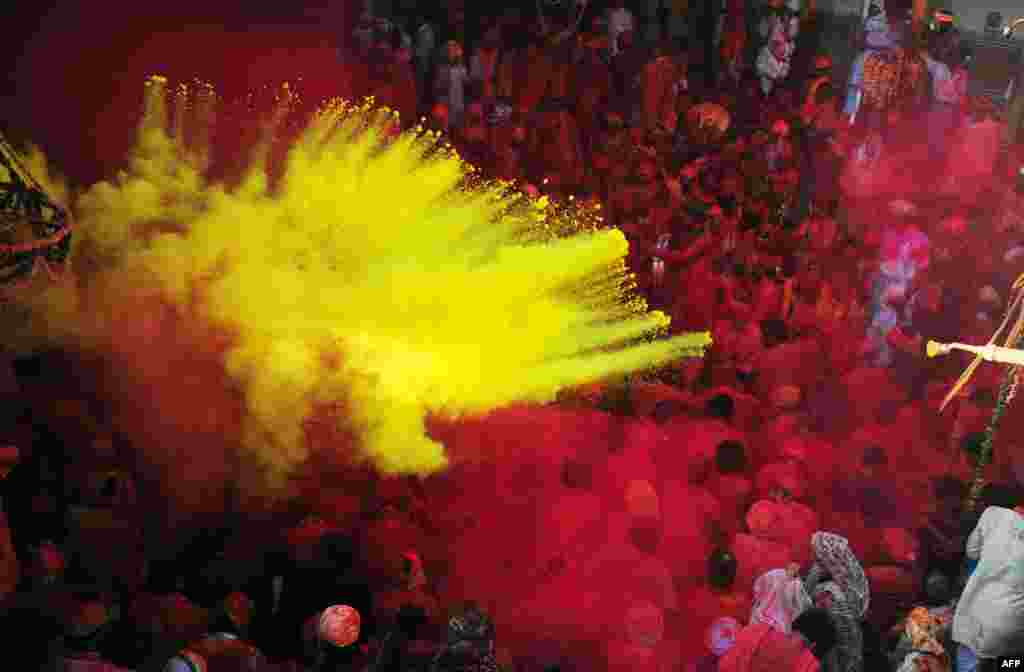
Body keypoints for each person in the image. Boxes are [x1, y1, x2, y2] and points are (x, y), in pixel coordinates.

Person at [952, 502, 1024, 671]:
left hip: (974, 616)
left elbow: (972, 551)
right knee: (1010, 664)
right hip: (1011, 625)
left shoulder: (992, 515)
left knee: (970, 663)